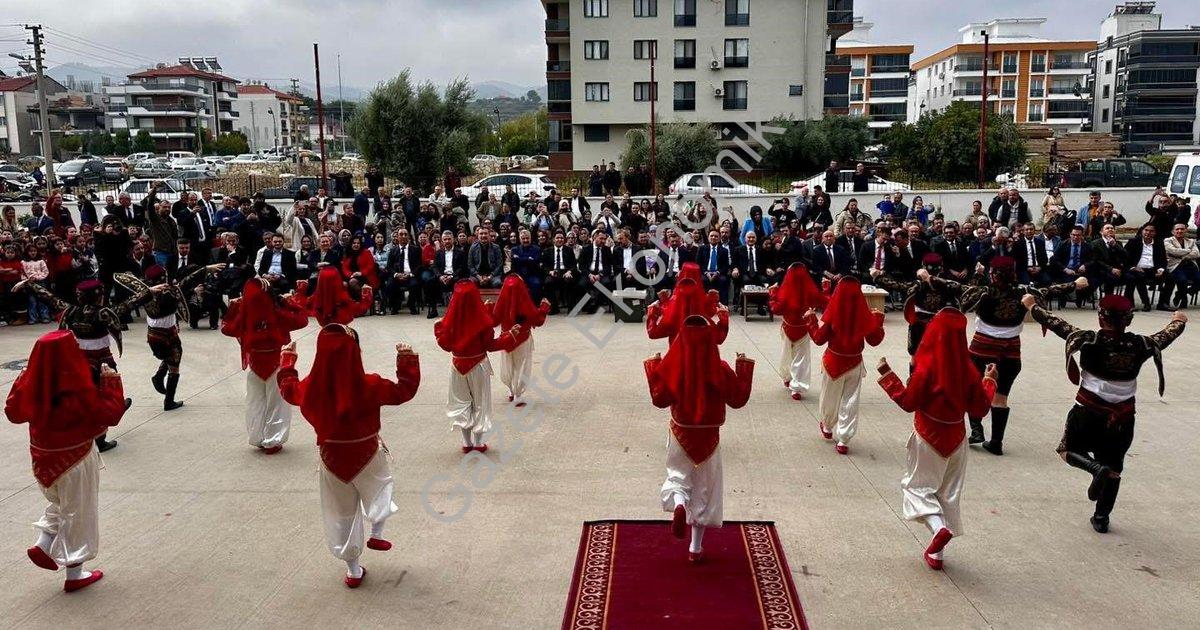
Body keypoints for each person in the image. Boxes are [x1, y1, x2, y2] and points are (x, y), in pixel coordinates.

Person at [1026, 294, 1186, 533]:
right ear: (1129, 320)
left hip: (1088, 412)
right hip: (1122, 418)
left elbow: (1057, 323)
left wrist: (1031, 306)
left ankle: (1093, 468)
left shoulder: (1088, 340)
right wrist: (1179, 320)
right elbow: (1166, 336)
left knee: (1066, 449)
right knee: (1114, 467)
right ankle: (1101, 518)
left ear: (1101, 318)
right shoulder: (1142, 345)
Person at [277, 325, 420, 588]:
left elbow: (288, 389)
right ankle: (377, 531)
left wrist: (288, 360)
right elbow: (404, 391)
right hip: (367, 451)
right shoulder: (371, 384)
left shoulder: (310, 388)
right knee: (380, 488)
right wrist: (406, 358)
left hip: (331, 457)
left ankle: (353, 570)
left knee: (341, 512)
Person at [920, 257, 1083, 455]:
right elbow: (1050, 290)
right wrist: (1075, 283)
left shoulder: (982, 293)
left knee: (971, 389)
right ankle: (996, 442)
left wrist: (928, 277)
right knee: (1001, 398)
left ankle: (977, 430)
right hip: (1010, 353)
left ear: (992, 274)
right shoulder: (1025, 293)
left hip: (981, 351)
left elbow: (953, 286)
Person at [6, 330, 128, 592]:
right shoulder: (75, 389)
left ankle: (43, 543)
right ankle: (75, 572)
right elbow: (110, 414)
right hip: (75, 459)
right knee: (79, 511)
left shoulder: (33, 383)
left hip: (43, 460)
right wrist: (112, 383)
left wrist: (25, 375)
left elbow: (13, 412)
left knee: (62, 503)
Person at [876, 309, 998, 570]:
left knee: (916, 488)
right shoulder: (968, 370)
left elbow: (909, 402)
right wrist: (989, 382)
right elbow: (979, 409)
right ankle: (937, 553)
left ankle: (938, 528)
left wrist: (888, 375)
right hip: (957, 439)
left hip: (927, 437)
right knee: (948, 494)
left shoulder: (927, 367)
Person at [645, 315, 754, 563]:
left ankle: (680, 501)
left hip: (680, 432)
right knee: (705, 489)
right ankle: (695, 548)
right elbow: (738, 399)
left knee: (677, 476)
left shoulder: (673, 366)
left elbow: (659, 398)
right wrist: (743, 366)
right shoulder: (720, 368)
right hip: (709, 436)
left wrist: (653, 366)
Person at [17, 278, 152, 452]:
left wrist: (28, 285)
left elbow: (48, 297)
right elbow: (135, 300)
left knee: (86, 398)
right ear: (99, 296)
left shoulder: (70, 311)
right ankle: (102, 438)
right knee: (109, 394)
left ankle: (97, 429)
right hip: (103, 361)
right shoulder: (104, 313)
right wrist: (150, 290)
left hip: (78, 362)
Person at [220, 278, 309, 454]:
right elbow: (302, 320)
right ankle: (273, 440)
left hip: (255, 364)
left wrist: (233, 309)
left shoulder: (244, 316)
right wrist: (287, 301)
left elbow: (227, 328)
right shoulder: (277, 313)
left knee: (255, 402)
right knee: (277, 403)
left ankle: (257, 437)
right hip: (276, 362)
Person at [434, 281, 521, 453]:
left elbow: (445, 345)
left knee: (461, 403)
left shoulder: (448, 322)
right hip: (478, 365)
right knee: (480, 403)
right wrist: (510, 336)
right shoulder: (483, 322)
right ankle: (479, 442)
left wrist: (438, 329)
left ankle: (466, 442)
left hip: (457, 366)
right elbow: (491, 345)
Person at [114, 264, 216, 411]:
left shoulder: (145, 293)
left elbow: (126, 303)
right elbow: (186, 282)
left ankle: (159, 378)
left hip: (153, 334)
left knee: (172, 356)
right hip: (166, 333)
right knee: (174, 363)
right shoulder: (169, 292)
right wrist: (205, 270)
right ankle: (168, 400)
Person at [808, 277, 885, 454]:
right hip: (854, 362)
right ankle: (844, 439)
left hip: (833, 362)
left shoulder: (834, 312)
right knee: (851, 402)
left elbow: (819, 339)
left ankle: (827, 427)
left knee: (830, 397)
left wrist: (811, 320)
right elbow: (875, 340)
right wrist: (877, 319)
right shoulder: (863, 315)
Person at [874, 254, 959, 371]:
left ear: (924, 267)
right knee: (939, 355)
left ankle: (913, 383)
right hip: (940, 323)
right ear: (941, 268)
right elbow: (961, 288)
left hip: (919, 324)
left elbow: (898, 286)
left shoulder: (919, 284)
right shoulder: (946, 284)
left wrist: (878, 277)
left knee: (915, 356)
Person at [769, 263, 826, 400]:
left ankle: (787, 377)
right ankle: (797, 387)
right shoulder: (810, 289)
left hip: (788, 327)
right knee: (802, 358)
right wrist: (826, 289)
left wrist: (772, 294)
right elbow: (822, 300)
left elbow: (776, 309)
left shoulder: (785, 290)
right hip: (804, 328)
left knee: (786, 354)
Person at [491, 274, 551, 407]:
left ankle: (511, 391)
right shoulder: (525, 300)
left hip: (506, 338)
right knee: (521, 366)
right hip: (522, 338)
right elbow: (537, 320)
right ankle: (518, 394)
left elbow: (493, 320)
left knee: (508, 365)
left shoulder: (502, 301)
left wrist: (488, 308)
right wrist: (544, 308)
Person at [297, 267, 373, 326]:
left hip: (325, 333)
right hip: (341, 333)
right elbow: (359, 309)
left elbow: (301, 305)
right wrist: (366, 295)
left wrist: (301, 290)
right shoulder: (342, 297)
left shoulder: (317, 297)